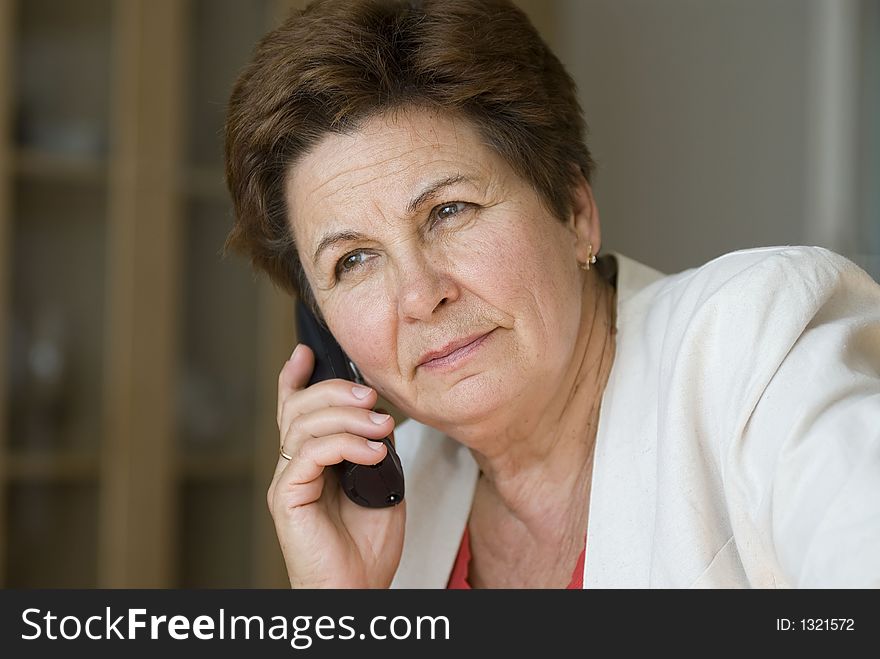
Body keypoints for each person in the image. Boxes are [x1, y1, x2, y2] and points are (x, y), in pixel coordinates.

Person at [223, 0, 880, 588]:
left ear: (574, 210)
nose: (420, 296)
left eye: (450, 210)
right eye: (354, 260)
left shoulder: (757, 350)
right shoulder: (394, 496)